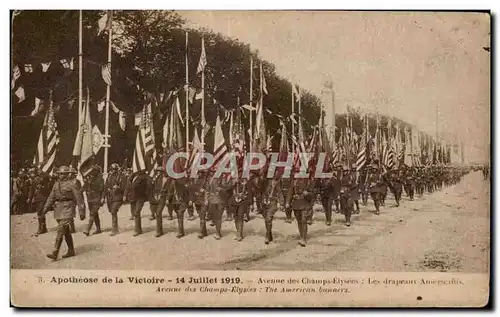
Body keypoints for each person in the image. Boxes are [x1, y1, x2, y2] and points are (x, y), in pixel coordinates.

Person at [42, 166, 86, 260]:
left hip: (68, 208)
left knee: (61, 229)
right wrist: (45, 209)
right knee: (65, 232)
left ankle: (55, 251)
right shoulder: (56, 184)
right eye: (59, 173)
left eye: (62, 174)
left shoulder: (72, 184)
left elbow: (79, 198)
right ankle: (71, 250)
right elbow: (51, 197)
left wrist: (82, 212)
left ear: (67, 174)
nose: (60, 175)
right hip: (58, 209)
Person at [285, 170, 316, 247]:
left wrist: (308, 194)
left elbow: (313, 193)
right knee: (299, 220)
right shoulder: (294, 182)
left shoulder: (309, 182)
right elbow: (290, 192)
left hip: (305, 204)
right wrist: (288, 202)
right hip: (296, 204)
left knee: (303, 220)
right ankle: (301, 235)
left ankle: (303, 238)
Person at [105, 163, 126, 236]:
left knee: (114, 211)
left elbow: (124, 187)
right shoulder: (109, 176)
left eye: (114, 169)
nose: (112, 171)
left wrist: (118, 187)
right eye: (111, 169)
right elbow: (106, 185)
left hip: (118, 196)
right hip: (110, 196)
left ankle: (114, 229)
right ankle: (115, 227)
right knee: (111, 211)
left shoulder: (121, 177)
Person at [82, 166, 104, 236]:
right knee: (95, 214)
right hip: (90, 199)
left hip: (97, 199)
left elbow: (103, 189)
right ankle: (98, 229)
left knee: (92, 214)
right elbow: (84, 188)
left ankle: (87, 230)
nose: (92, 172)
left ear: (97, 172)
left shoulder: (100, 179)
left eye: (94, 171)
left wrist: (103, 198)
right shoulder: (89, 179)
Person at [149, 167, 169, 237]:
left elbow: (169, 190)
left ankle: (159, 231)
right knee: (156, 212)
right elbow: (152, 187)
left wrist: (167, 199)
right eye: (157, 171)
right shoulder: (156, 179)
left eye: (160, 171)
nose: (158, 172)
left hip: (163, 197)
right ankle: (160, 229)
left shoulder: (167, 179)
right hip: (156, 197)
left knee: (158, 213)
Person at [261, 176, 282, 244]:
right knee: (266, 219)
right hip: (264, 202)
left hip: (273, 202)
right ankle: (269, 234)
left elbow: (280, 192)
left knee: (268, 218)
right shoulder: (263, 182)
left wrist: (281, 203)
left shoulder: (276, 182)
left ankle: (267, 236)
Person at [31, 169, 52, 235]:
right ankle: (44, 228)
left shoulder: (45, 178)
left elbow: (47, 189)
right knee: (39, 213)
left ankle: (41, 229)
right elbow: (32, 189)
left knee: (40, 213)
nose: (39, 171)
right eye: (38, 170)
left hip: (42, 198)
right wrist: (30, 197)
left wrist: (41, 187)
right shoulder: (35, 179)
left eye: (40, 170)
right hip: (37, 198)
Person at [130, 170, 151, 236]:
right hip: (134, 197)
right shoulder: (135, 177)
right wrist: (133, 174)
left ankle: (137, 230)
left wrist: (145, 195)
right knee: (135, 213)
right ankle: (139, 229)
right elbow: (129, 180)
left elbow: (146, 187)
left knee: (137, 212)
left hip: (140, 197)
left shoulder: (143, 178)